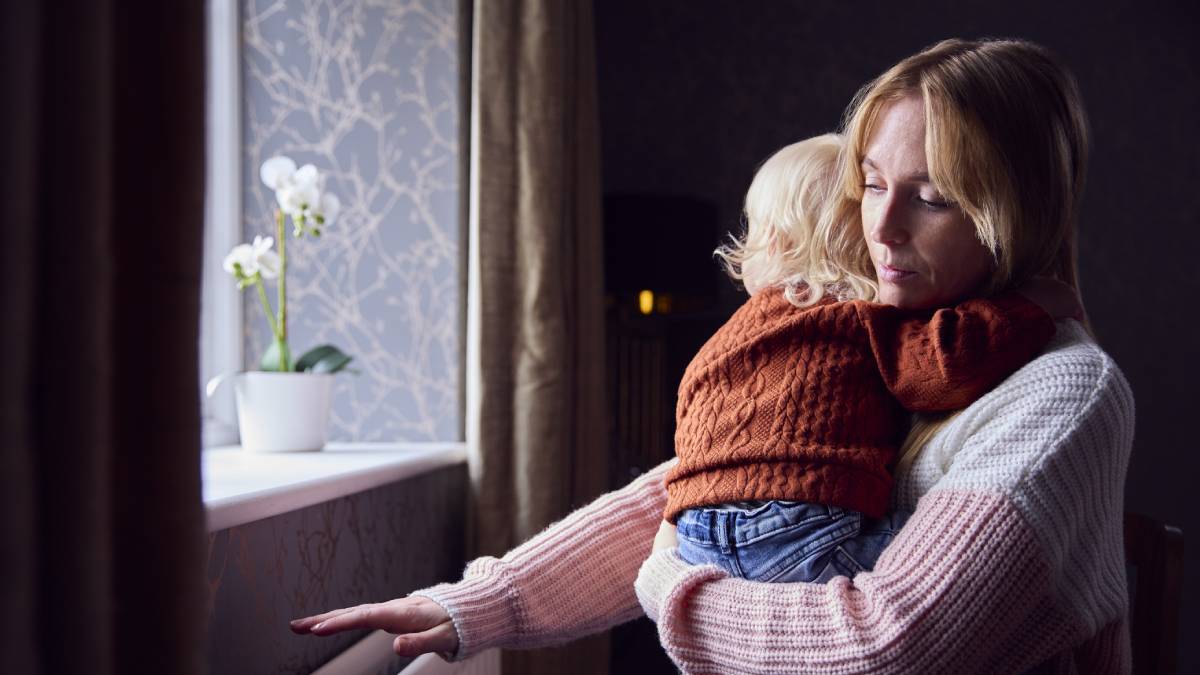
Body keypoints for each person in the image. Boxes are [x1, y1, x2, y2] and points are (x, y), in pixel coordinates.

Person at [291, 37, 1134, 674]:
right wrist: (479, 601)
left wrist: (670, 588)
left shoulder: (1062, 390)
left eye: (933, 197)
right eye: (872, 183)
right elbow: (711, 488)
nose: (880, 227)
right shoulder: (897, 333)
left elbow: (884, 644)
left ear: (1011, 212)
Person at [663, 133, 1076, 585]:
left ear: (772, 243)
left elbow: (693, 424)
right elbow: (945, 363)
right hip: (798, 528)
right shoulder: (856, 318)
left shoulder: (732, 334)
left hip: (695, 534)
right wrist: (1031, 306)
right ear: (859, 244)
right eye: (873, 194)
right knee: (964, 568)